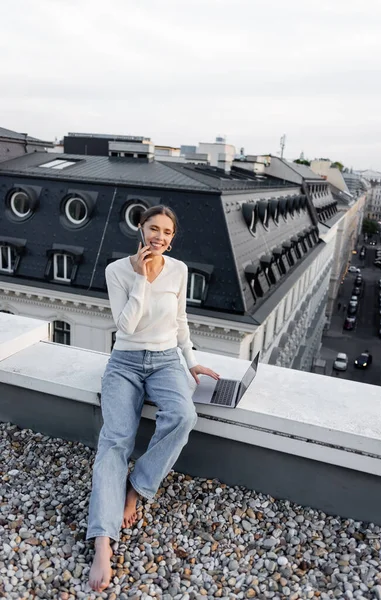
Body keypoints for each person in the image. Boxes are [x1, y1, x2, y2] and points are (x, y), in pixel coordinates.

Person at [87, 205, 220, 592]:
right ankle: (101, 542)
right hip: (125, 362)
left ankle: (137, 488)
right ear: (140, 230)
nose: (159, 237)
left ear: (172, 237)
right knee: (115, 441)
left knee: (183, 416)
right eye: (153, 229)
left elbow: (180, 321)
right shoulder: (116, 271)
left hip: (165, 362)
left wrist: (191, 362)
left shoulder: (179, 270)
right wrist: (143, 280)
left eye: (167, 232)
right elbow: (125, 326)